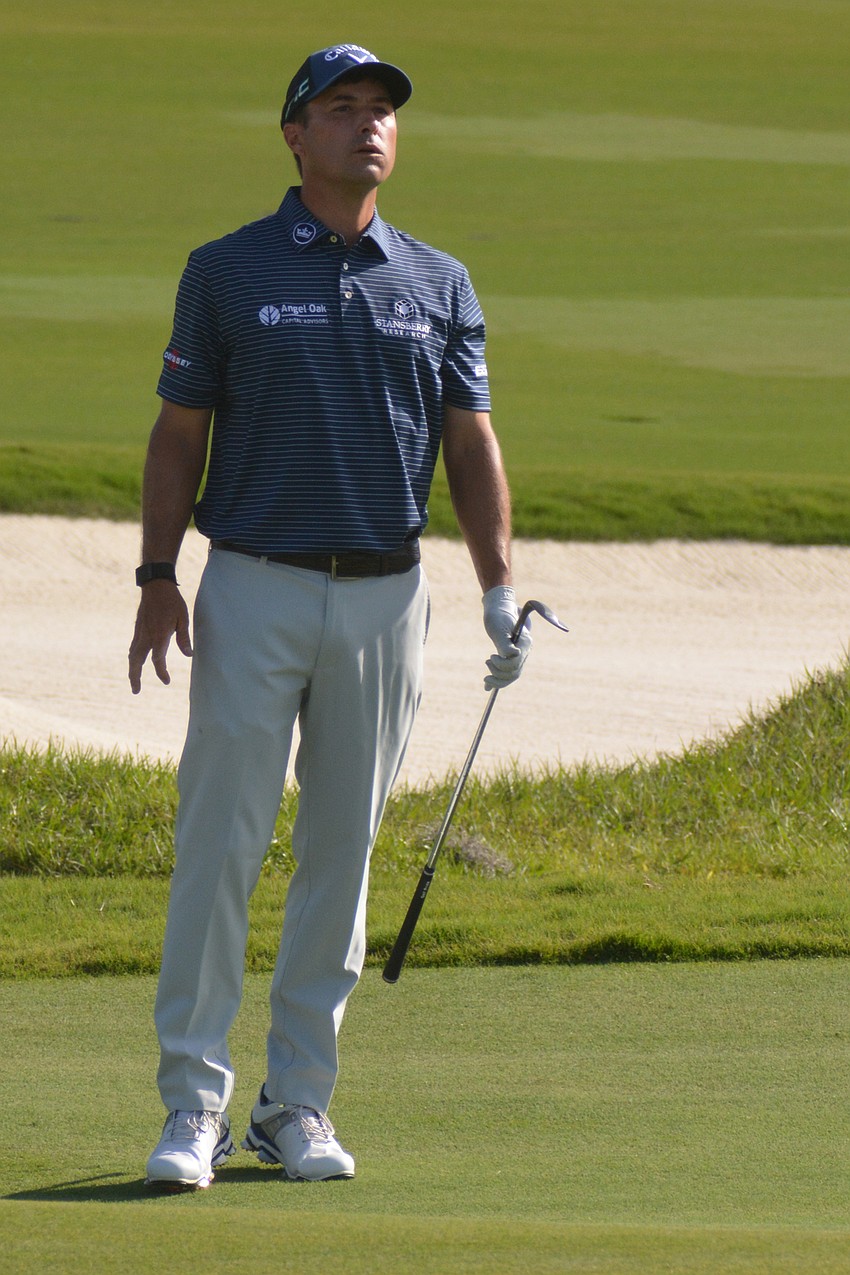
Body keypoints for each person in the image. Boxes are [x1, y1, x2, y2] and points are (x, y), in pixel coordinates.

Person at [129, 42, 531, 1191]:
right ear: (294, 136)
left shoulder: (439, 281)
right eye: (341, 108)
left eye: (382, 113)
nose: (367, 126)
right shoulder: (226, 269)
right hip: (252, 579)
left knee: (339, 855)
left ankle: (296, 1103)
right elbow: (177, 432)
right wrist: (158, 574)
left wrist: (498, 587)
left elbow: (469, 443)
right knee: (221, 845)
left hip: (387, 594)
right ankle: (190, 1106)